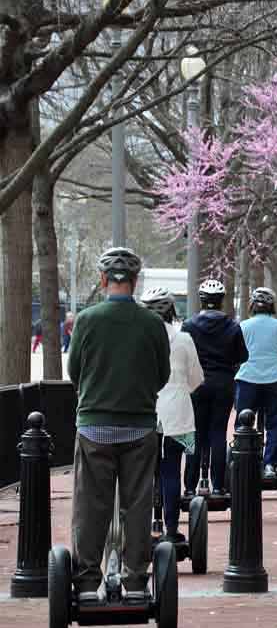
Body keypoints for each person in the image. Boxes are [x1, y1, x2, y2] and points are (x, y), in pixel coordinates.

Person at [67, 247, 171, 603]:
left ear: (102, 281)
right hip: (139, 428)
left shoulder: (86, 320)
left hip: (95, 425)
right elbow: (162, 375)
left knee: (89, 504)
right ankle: (137, 581)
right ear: (135, 281)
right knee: (138, 504)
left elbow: (74, 373)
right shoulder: (153, 323)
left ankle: (85, 582)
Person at [139, 287, 204, 543]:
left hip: (144, 412)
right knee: (171, 472)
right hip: (178, 413)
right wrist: (179, 389)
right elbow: (196, 378)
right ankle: (170, 529)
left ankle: (142, 528)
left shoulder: (137, 339)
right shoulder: (184, 339)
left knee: (140, 475)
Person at [182, 278, 248, 497]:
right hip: (223, 384)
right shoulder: (232, 326)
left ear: (202, 300)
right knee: (218, 433)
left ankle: (190, 487)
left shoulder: (189, 326)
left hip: (196, 385)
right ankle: (218, 485)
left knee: (196, 434)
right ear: (221, 301)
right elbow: (242, 356)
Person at [235, 287, 277, 479]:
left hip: (248, 380)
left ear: (252, 305)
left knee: (243, 423)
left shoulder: (243, 326)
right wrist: (276, 365)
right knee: (274, 424)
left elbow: (236, 354)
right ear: (272, 306)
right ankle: (270, 464)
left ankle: (242, 459)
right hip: (276, 380)